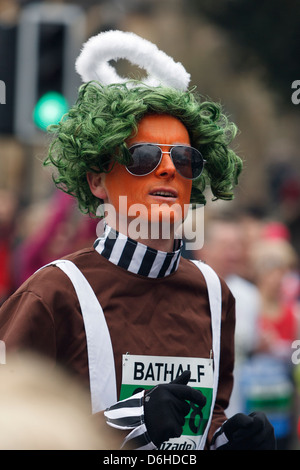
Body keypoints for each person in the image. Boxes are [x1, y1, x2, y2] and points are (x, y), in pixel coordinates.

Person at [0, 30, 275, 450]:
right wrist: (131, 419)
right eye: (143, 157)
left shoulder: (214, 294)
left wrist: (225, 439)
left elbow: (202, 420)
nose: (167, 171)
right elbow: (14, 424)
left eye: (184, 159)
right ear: (96, 180)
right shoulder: (54, 293)